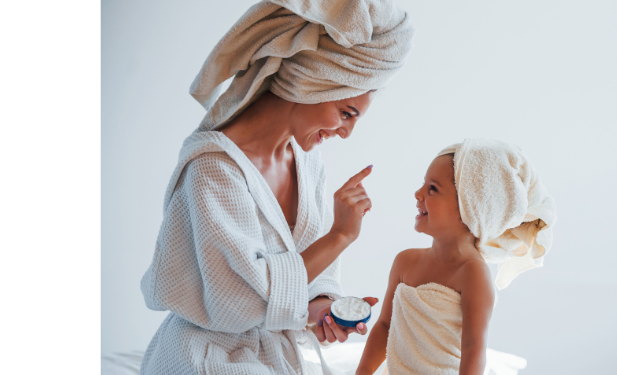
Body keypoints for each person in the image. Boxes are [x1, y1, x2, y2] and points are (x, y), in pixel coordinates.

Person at [138, 1, 415, 374]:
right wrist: (340, 236)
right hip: (205, 357)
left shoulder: (307, 164)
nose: (347, 132)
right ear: (313, 82)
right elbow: (235, 304)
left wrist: (321, 310)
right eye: (346, 113)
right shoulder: (212, 167)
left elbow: (301, 282)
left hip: (272, 357)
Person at [355, 139, 557, 375]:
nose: (418, 194)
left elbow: (474, 347)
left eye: (433, 189)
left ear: (469, 209)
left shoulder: (472, 272)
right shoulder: (404, 261)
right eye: (423, 184)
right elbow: (384, 326)